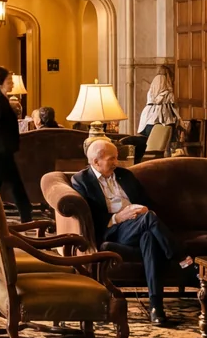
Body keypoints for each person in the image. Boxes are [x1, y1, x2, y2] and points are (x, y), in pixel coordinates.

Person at [69, 138, 186, 328]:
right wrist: (118, 217)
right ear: (96, 162)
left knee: (149, 235)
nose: (117, 162)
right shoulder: (81, 180)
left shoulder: (125, 175)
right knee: (149, 221)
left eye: (117, 158)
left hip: (138, 225)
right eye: (112, 158)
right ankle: (181, 258)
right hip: (113, 229)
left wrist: (143, 210)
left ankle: (156, 307)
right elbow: (89, 216)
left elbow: (146, 201)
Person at [0, 70, 33, 220]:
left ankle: (25, 214)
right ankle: (25, 215)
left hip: (1, 151)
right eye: (9, 80)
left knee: (8, 184)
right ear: (1, 82)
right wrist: (2, 149)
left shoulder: (1, 100)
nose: (12, 83)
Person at [131, 71, 180, 157]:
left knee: (148, 144)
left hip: (148, 121)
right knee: (166, 147)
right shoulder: (168, 94)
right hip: (165, 121)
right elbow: (173, 106)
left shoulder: (150, 93)